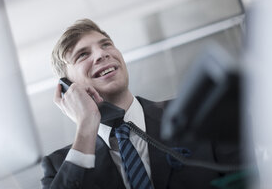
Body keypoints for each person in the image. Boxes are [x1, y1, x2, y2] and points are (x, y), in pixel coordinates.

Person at [41, 19, 241, 189]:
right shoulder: (58, 165)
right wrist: (85, 126)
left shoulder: (197, 114)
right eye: (83, 54)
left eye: (106, 44)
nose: (101, 54)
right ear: (68, 88)